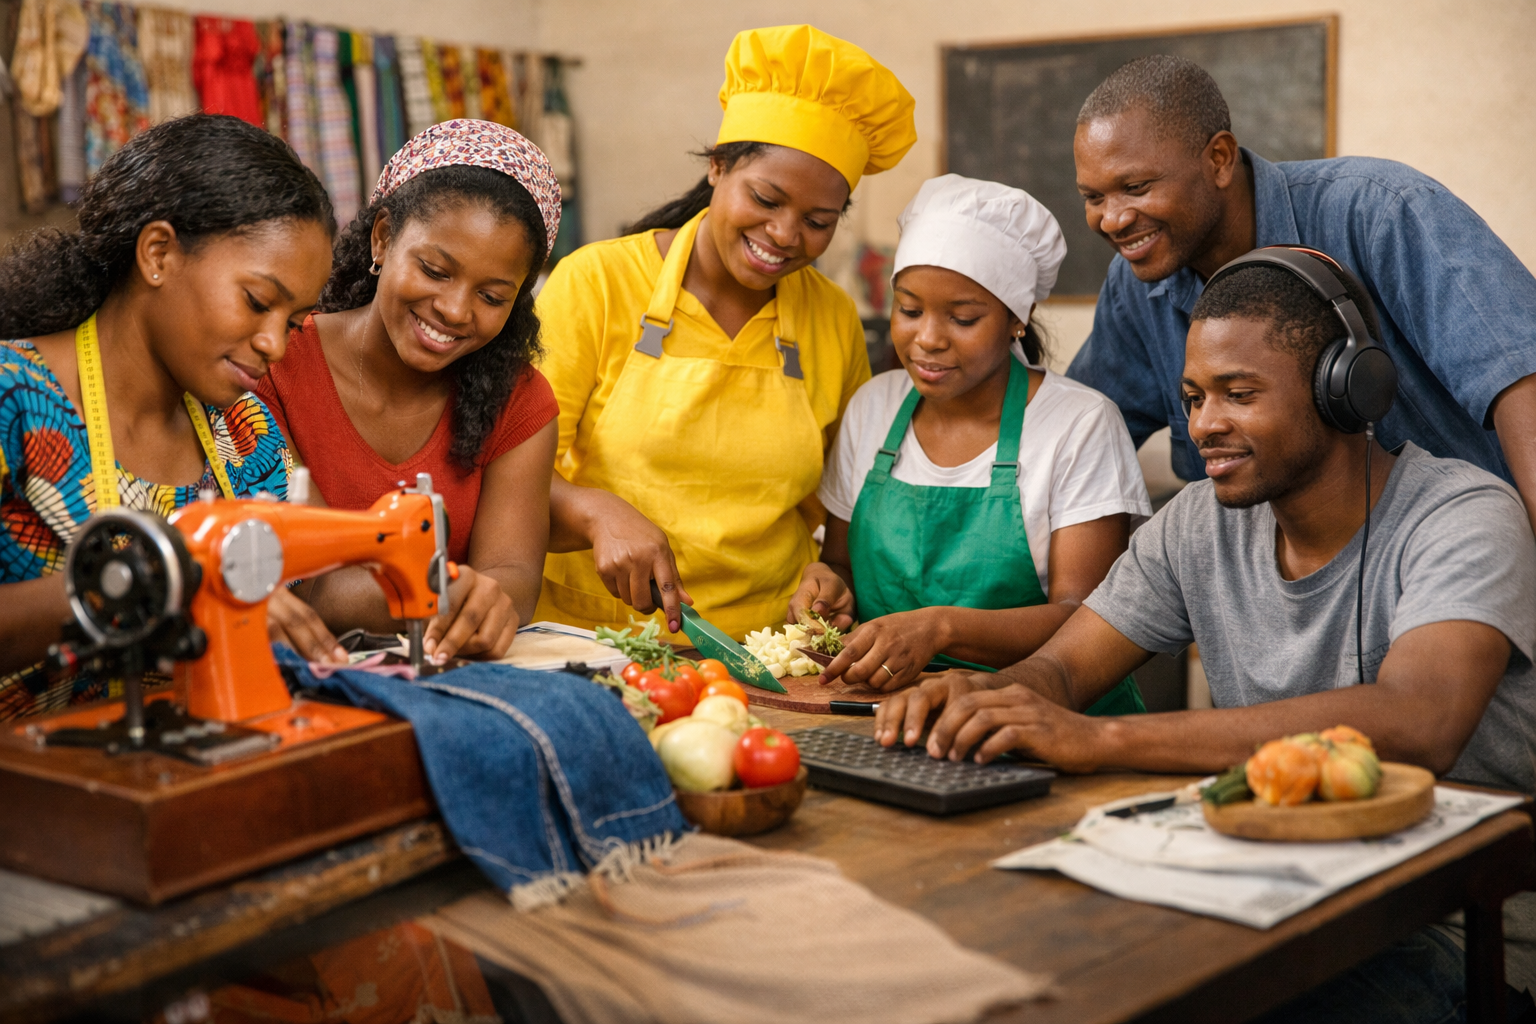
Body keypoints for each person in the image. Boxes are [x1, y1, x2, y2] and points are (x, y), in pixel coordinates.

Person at [878, 248, 1536, 1019]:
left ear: (1344, 389)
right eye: (1192, 397)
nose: (1202, 426)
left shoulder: (1463, 516)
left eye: (1239, 394)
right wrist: (981, 698)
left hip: (1447, 930)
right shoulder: (1198, 521)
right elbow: (1064, 671)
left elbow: (1421, 722)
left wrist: (1101, 740)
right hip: (1262, 895)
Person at [535, 24, 916, 641]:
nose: (785, 235)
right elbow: (511, 474)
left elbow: (841, 500)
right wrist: (594, 514)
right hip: (599, 640)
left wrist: (830, 576)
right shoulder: (597, 283)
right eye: (765, 198)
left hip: (766, 650)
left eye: (818, 220)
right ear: (716, 168)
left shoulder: (832, 316)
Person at [1065, 55, 1536, 542]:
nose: (1112, 219)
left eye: (1135, 187)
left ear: (1219, 159)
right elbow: (1075, 436)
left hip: (1467, 554)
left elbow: (1520, 381)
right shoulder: (1135, 287)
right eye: (1093, 197)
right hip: (1283, 580)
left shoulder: (1381, 210)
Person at [0, 114, 335, 720]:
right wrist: (153, 583)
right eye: (257, 301)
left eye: (292, 323)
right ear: (158, 253)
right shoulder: (11, 397)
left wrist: (449, 589)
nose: (275, 345)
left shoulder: (247, 433)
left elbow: (323, 578)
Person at [788, 174, 1149, 715]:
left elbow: (1086, 618)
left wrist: (941, 628)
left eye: (962, 318)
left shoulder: (1079, 424)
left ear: (1017, 319)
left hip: (1044, 716)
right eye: (910, 310)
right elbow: (840, 562)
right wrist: (825, 586)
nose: (928, 339)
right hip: (889, 714)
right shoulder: (873, 407)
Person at [258, 120, 562, 665]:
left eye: (492, 297)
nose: (455, 310)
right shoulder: (275, 362)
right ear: (382, 238)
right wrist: (443, 595)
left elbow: (512, 573)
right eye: (435, 270)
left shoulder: (520, 401)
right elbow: (315, 582)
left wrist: (488, 603)